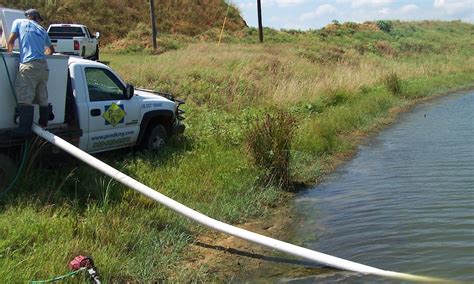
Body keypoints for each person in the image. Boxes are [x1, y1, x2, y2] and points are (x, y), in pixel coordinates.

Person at [7, 9, 55, 137]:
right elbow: (51, 50)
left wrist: (9, 55)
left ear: (28, 16)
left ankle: (24, 129)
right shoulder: (42, 29)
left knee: (25, 98)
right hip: (44, 67)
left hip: (29, 66)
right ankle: (43, 124)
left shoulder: (19, 22)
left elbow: (11, 41)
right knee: (42, 96)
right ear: (35, 17)